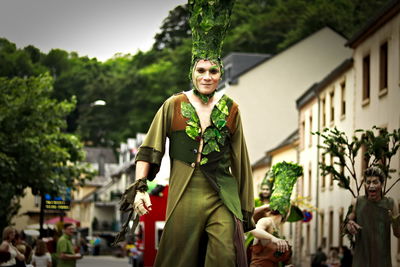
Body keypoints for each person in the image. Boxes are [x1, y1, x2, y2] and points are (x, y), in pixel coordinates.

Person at [115, 1, 254, 266]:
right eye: (201, 70)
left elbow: (241, 162)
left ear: (220, 73)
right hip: (185, 191)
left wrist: (246, 210)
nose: (207, 76)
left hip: (221, 194)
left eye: (213, 71)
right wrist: (140, 188)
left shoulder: (231, 109)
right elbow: (150, 148)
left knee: (225, 255)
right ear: (192, 72)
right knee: (177, 258)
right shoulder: (174, 105)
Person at [249, 162, 303, 267]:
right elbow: (255, 230)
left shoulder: (277, 230)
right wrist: (273, 238)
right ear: (288, 212)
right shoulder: (266, 221)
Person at [346, 166, 400, 267]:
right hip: (361, 261)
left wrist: (395, 221)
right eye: (368, 182)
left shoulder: (391, 204)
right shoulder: (357, 202)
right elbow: (346, 225)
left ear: (382, 184)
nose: (371, 186)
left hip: (382, 261)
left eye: (375, 182)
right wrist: (349, 224)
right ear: (364, 185)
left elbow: (398, 234)